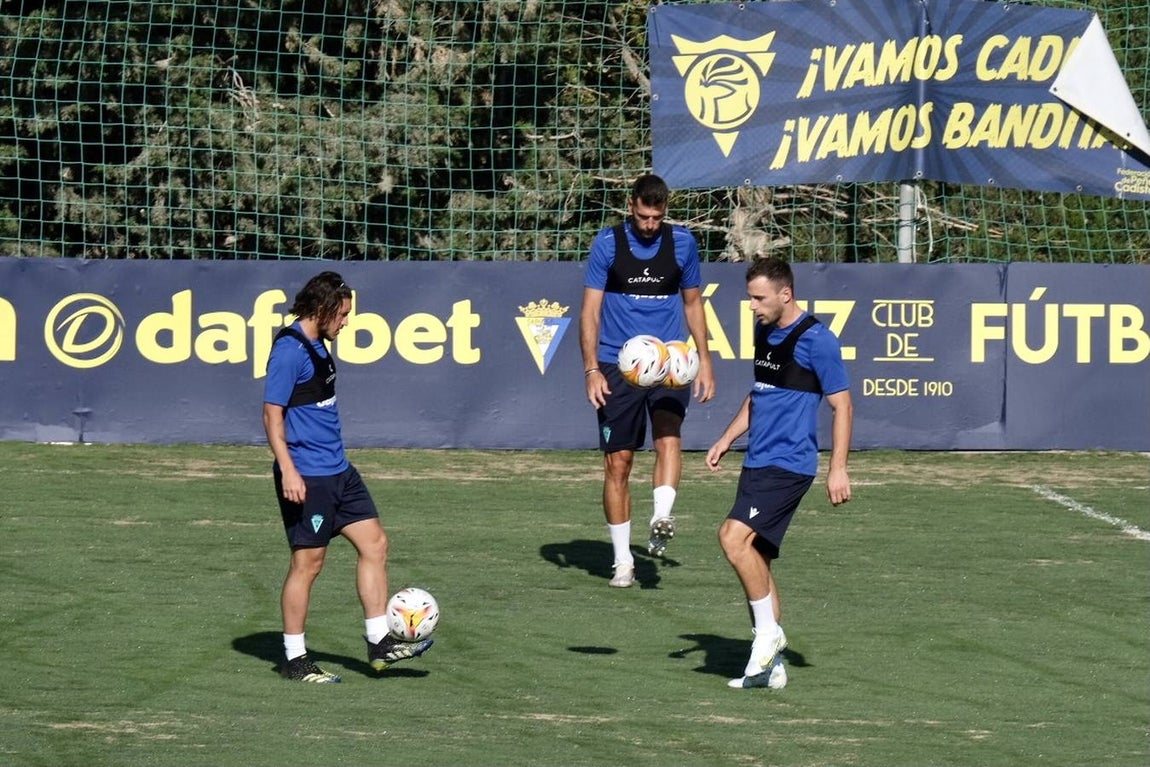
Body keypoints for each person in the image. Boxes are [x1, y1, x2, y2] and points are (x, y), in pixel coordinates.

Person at [263, 271, 432, 682]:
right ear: (320, 309)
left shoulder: (319, 343)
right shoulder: (289, 351)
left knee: (375, 543)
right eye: (342, 314)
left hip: (339, 471)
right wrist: (288, 469)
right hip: (308, 476)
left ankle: (379, 644)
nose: (346, 321)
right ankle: (295, 658)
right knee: (308, 564)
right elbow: (272, 415)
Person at [705, 257, 852, 689]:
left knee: (731, 538)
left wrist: (837, 468)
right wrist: (727, 438)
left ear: (785, 294)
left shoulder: (818, 340)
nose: (752, 306)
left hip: (788, 464)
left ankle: (768, 635)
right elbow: (760, 395)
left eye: (758, 298)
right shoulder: (764, 331)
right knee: (759, 563)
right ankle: (772, 667)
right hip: (757, 460)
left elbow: (842, 405)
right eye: (750, 297)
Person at [580, 173, 716, 588]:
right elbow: (590, 313)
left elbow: (693, 304)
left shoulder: (682, 244)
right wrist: (590, 370)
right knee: (617, 463)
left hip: (671, 359)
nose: (650, 224)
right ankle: (623, 561)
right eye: (643, 216)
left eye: (657, 217)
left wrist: (705, 360)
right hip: (618, 365)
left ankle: (661, 514)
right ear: (631, 205)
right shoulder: (607, 244)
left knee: (668, 438)